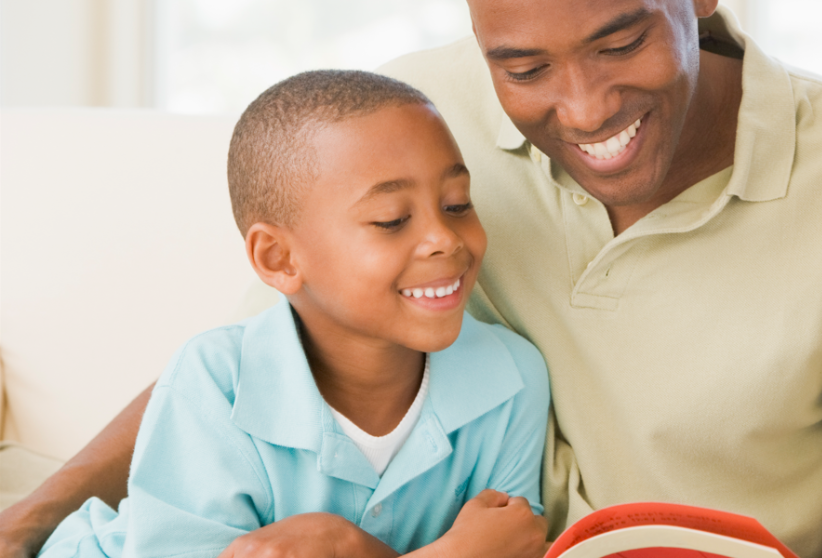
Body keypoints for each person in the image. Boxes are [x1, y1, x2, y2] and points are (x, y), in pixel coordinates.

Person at [0, 0, 822, 557]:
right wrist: (31, 518)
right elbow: (240, 373)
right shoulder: (413, 129)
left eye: (623, 42)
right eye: (523, 63)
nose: (584, 109)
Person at [35, 71, 551, 558]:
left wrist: (351, 547)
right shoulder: (215, 380)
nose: (444, 239)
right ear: (279, 259)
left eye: (458, 204)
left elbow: (509, 543)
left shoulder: (512, 378)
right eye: (391, 220)